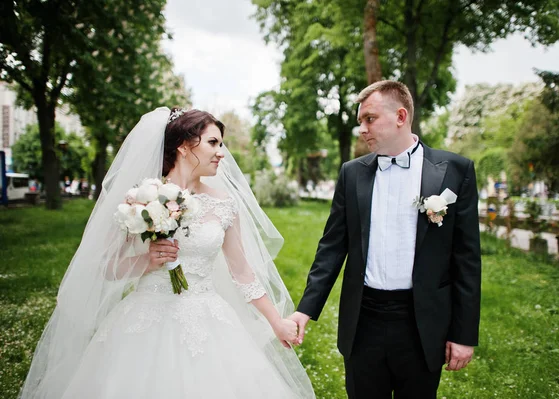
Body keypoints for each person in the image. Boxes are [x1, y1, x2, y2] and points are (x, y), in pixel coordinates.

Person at [20, 107, 315, 399]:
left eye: (221, 144)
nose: (221, 153)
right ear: (185, 146)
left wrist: (276, 322)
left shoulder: (224, 204)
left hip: (207, 317)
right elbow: (107, 268)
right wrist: (145, 262)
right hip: (145, 317)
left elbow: (242, 272)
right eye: (213, 143)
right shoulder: (140, 198)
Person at [288, 80, 481, 398]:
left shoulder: (454, 171)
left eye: (370, 119)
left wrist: (463, 333)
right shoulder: (352, 173)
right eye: (360, 120)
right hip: (364, 322)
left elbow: (467, 259)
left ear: (401, 116)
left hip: (422, 325)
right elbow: (332, 247)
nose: (362, 128)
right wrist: (305, 310)